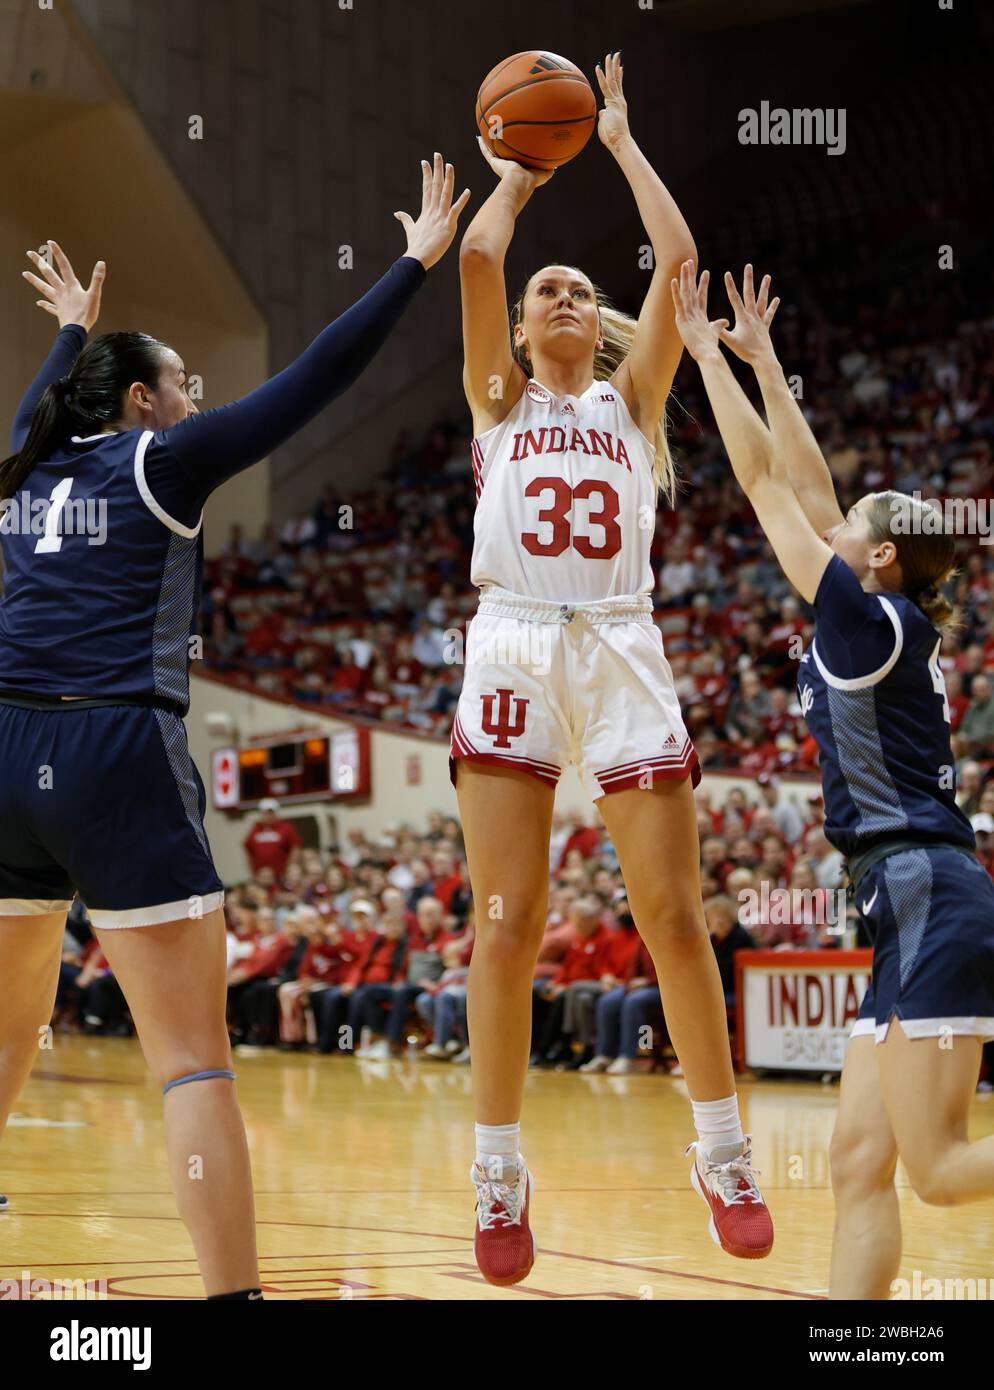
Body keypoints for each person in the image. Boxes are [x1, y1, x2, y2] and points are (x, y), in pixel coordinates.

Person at [0, 158, 468, 1301]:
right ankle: (235, 1301)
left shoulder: (22, 469)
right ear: (142, 404)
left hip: (2, 752)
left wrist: (69, 335)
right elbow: (313, 381)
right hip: (112, 751)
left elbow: (34, 409)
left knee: (8, 1031)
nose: (199, 394)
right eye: (183, 380)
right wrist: (412, 265)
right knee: (191, 1060)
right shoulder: (162, 459)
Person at [452, 53, 772, 1286]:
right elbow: (479, 260)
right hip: (515, 637)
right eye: (552, 293)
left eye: (583, 289)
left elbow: (677, 270)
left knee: (673, 918)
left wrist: (624, 142)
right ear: (526, 332)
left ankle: (723, 1151)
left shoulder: (637, 403)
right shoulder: (496, 406)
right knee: (507, 924)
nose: (567, 297)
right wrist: (519, 175)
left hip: (624, 638)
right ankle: (496, 1168)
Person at [671, 258, 994, 1302]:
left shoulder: (864, 616)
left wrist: (695, 350)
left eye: (852, 528)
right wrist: (764, 358)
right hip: (902, 898)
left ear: (883, 557)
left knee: (939, 1171)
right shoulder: (879, 608)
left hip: (927, 887)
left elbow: (767, 486)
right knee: (861, 1164)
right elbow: (807, 490)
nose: (831, 530)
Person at [243, 799, 302, 879]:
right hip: (261, 877)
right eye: (265, 813)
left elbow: (295, 849)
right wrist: (253, 874)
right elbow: (248, 851)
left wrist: (289, 870)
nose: (268, 815)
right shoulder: (255, 829)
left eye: (271, 812)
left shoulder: (286, 827)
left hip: (281, 876)